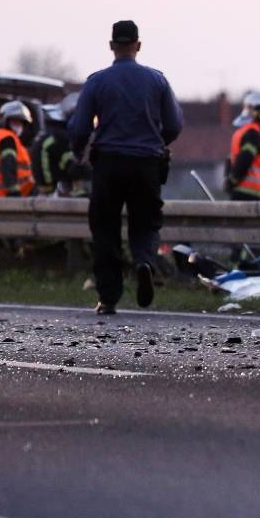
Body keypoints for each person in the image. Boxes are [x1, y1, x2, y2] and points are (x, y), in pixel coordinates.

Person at [68, 20, 183, 314]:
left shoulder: (97, 81)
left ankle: (108, 297)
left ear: (111, 46)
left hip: (108, 164)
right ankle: (144, 261)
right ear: (138, 45)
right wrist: (157, 142)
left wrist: (78, 151)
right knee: (145, 222)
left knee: (105, 227)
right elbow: (174, 124)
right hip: (146, 164)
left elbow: (80, 127)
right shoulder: (157, 80)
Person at [0, 100, 37, 197]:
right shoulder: (7, 139)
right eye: (15, 121)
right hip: (8, 196)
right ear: (6, 121)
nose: (18, 126)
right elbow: (8, 164)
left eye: (21, 123)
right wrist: (13, 191)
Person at [34, 92, 90, 196]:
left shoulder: (58, 137)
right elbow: (70, 165)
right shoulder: (57, 139)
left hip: (58, 189)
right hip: (55, 190)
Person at [226, 91, 260, 201]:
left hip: (245, 192)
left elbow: (231, 160)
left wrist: (230, 181)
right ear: (257, 112)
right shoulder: (253, 133)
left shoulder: (244, 131)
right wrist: (233, 180)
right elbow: (245, 158)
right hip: (250, 195)